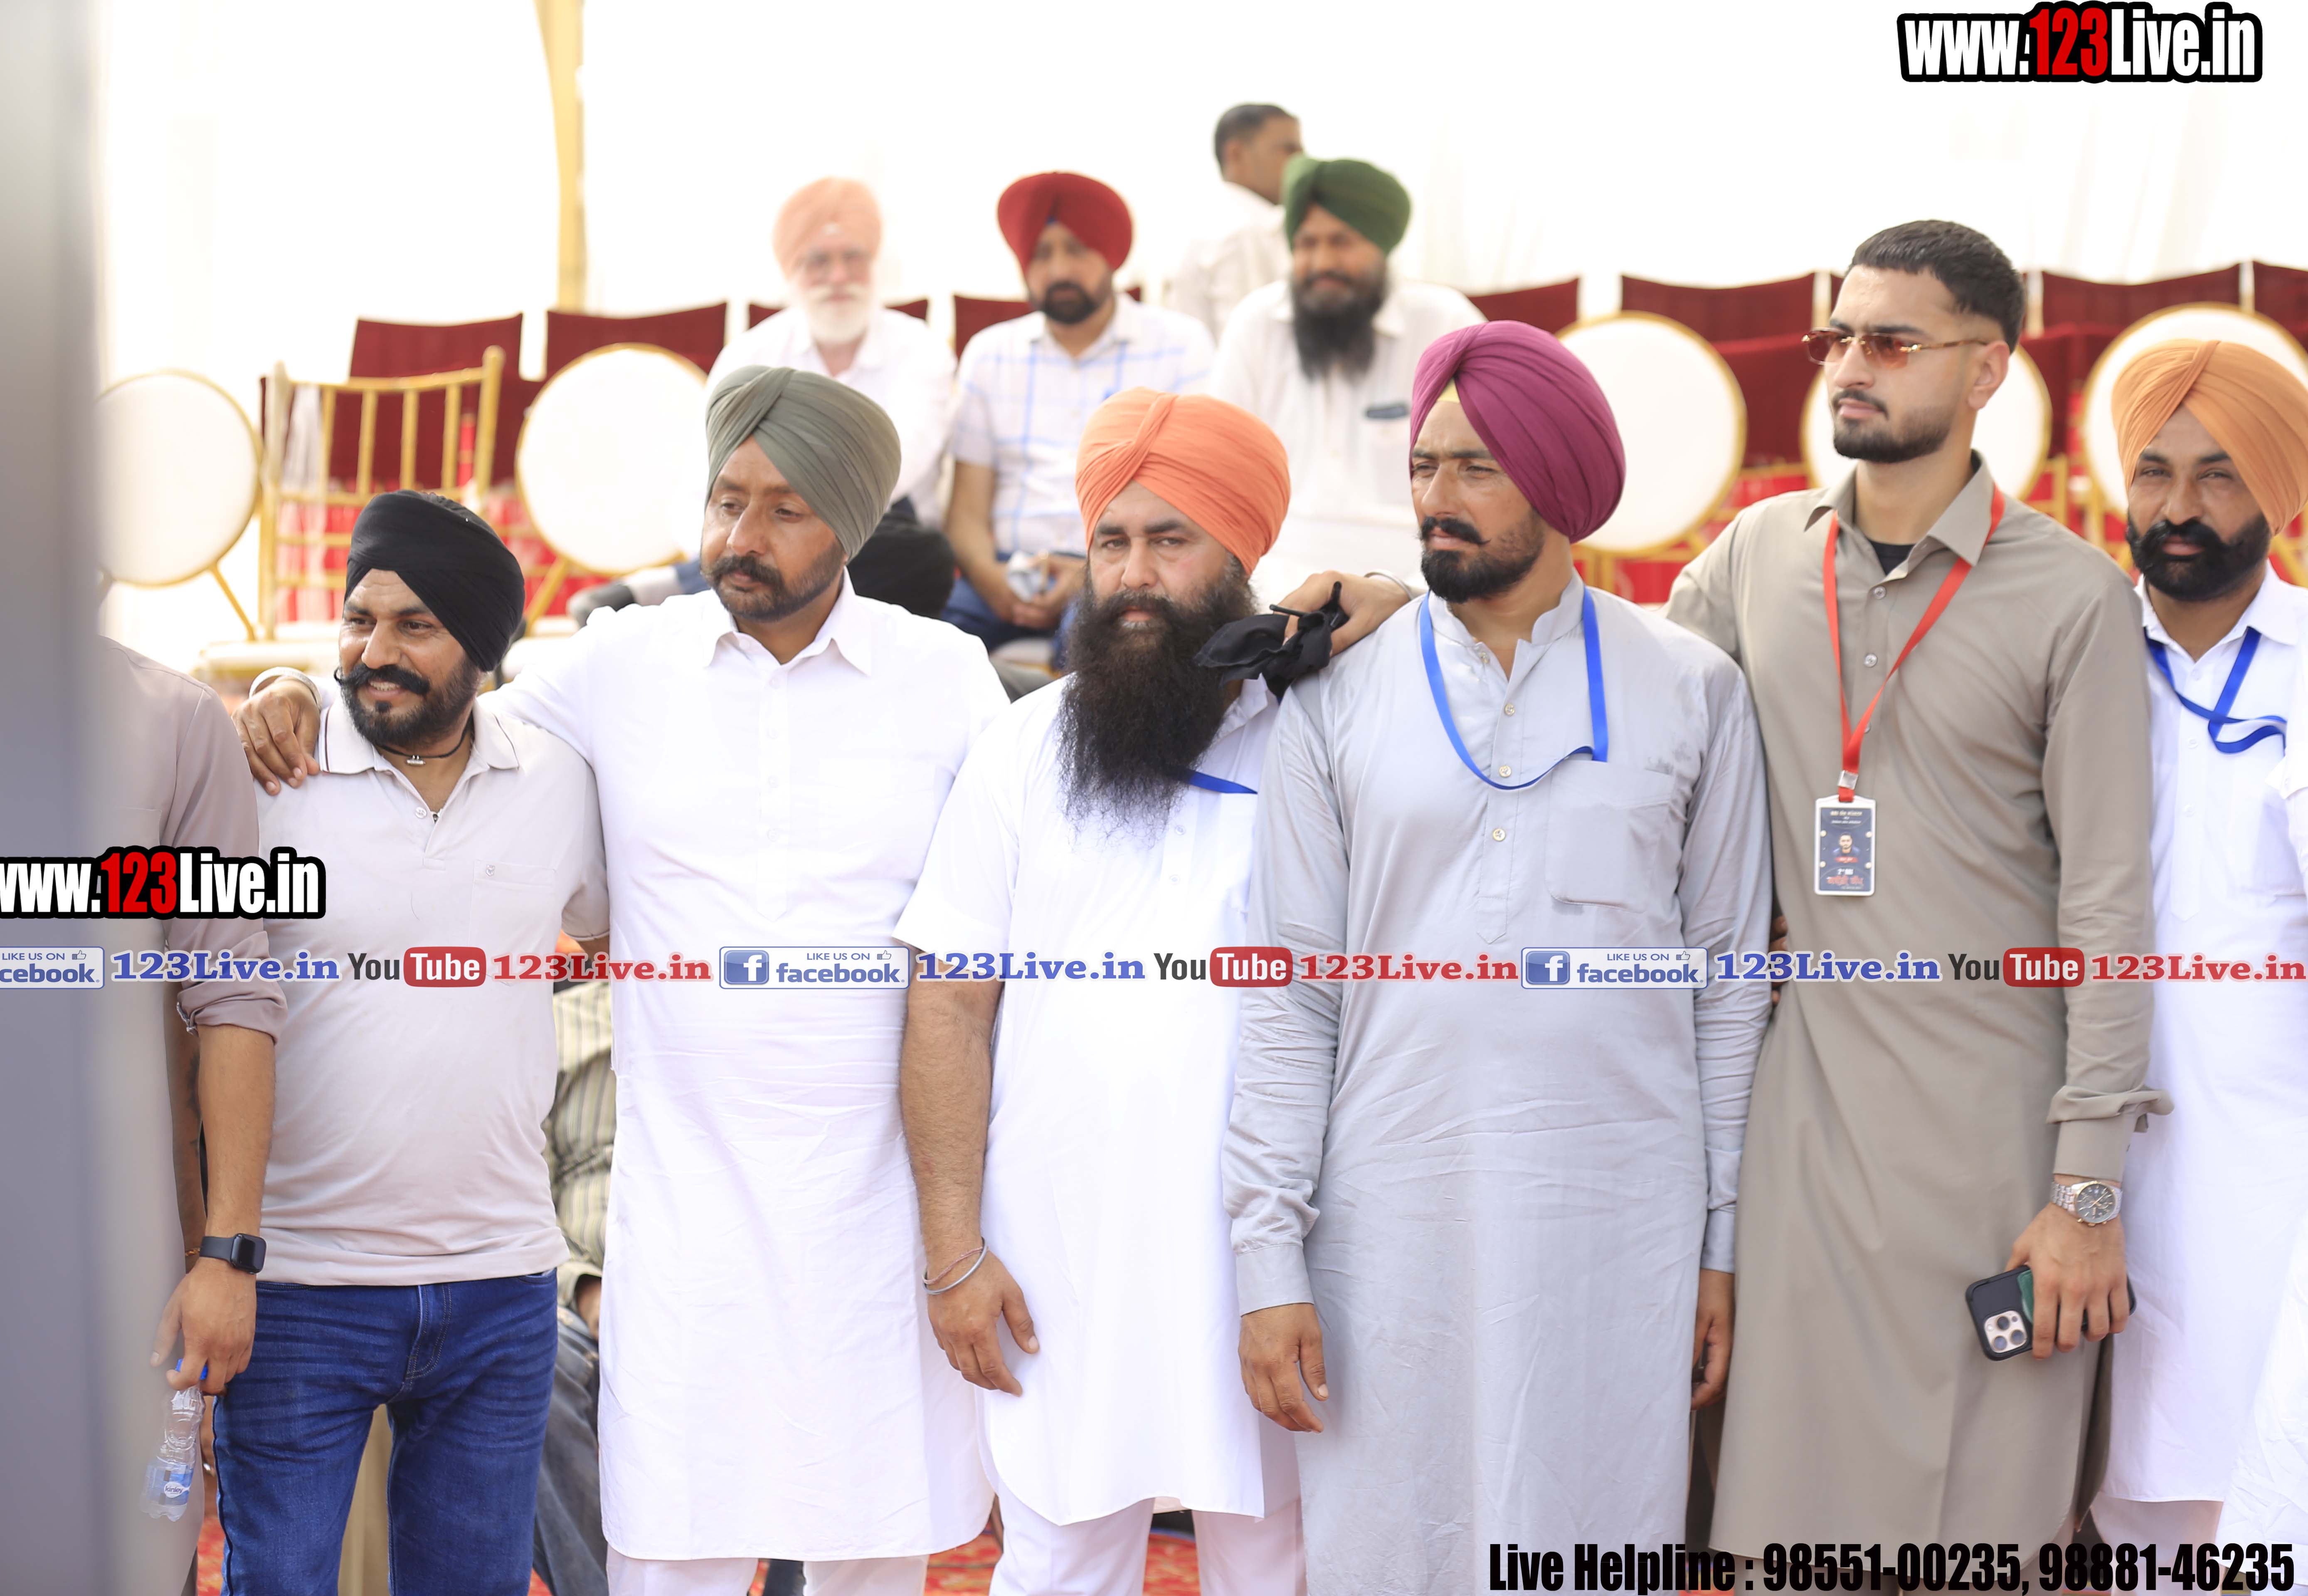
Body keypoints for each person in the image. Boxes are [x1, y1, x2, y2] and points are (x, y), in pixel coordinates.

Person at [237, 366, 1004, 1596]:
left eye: (785, 509)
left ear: (852, 524)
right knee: (667, 1551)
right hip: (688, 1216)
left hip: (879, 1212)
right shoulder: (623, 662)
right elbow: (444, 712)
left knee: (871, 1546)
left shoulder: (945, 676)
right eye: (725, 499)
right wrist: (296, 690)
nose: (740, 535)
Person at [1226, 320, 1773, 1584]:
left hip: (1620, 1218)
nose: (1437, 495)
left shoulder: (1691, 686)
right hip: (1388, 1210)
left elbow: (1729, 988)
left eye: (1476, 466)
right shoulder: (1336, 692)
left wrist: (1721, 1242)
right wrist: (1267, 1252)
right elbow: (1289, 992)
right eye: (1424, 464)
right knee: (1391, 1541)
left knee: (1592, 1531)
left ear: (1559, 481)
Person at [1663, 219, 2165, 1549]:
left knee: (1981, 1535)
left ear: (1988, 366)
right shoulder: (1754, 558)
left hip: (2002, 1153)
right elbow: (1620, 706)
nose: (1850, 366)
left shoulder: (2073, 598)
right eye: (1839, 337)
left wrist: (2087, 1196)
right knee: (1785, 1526)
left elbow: (2109, 910)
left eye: (1891, 341)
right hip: (1806, 1138)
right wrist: (1391, 605)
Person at [898, 389, 1410, 1596]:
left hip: (1273, 1260)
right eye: (1111, 542)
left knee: (1275, 1564)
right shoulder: (1024, 747)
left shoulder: (1323, 733)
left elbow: (1447, 639)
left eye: (1171, 540)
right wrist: (952, 1251)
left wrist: (1378, 599)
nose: (1133, 576)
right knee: (1054, 1564)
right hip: (1057, 1255)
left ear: (1242, 560)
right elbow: (948, 1006)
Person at [216, 490, 610, 1592]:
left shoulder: (556, 781)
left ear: (482, 651)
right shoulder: (271, 771)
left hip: (500, 1287)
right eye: (359, 620)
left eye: (415, 627)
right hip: (298, 1286)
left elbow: (607, 926)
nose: (374, 653)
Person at [2093, 339, 2308, 1549]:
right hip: (2087, 1168)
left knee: (2262, 1488)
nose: (2177, 507)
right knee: (2116, 1495)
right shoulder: (2071, 659)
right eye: (2154, 471)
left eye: (2218, 473)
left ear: (2279, 487)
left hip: (2274, 1173)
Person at [105, 637, 285, 1592]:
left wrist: (226, 1254)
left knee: (129, 1551)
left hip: (112, 1263)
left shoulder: (173, 723)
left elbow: (233, 996)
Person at [578, 178, 959, 622]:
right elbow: (707, 477)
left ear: (875, 263)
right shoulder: (750, 354)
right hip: (758, 532)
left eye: (853, 258)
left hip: (878, 531)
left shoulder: (920, 350)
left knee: (923, 556)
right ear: (791, 270)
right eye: (819, 261)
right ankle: (721, 581)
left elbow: (892, 470)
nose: (839, 276)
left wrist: (797, 521)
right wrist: (726, 540)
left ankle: (680, 590)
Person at [944, 171, 1216, 657]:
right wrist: (991, 580)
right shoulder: (990, 354)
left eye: (1076, 249)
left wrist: (1090, 573)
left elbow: (1191, 495)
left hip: (1124, 567)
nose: (1059, 269)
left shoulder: (1179, 345)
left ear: (1110, 254)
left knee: (1096, 655)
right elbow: (965, 510)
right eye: (1041, 254)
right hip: (1006, 570)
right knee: (933, 649)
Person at [1209, 155, 1480, 562]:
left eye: (1341, 242)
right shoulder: (1256, 323)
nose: (1322, 263)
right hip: (1272, 561)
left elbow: (1485, 471)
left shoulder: (1446, 324)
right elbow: (1220, 465)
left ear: (1382, 246)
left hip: (1416, 567)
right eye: (1307, 244)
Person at [535, 977, 615, 1596]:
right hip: (580, 1286)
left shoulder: (746, 1015)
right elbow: (523, 1195)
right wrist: (585, 1288)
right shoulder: (560, 1026)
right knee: (527, 1366)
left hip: (721, 1289)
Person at [1167, 104, 1302, 342]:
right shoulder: (1244, 231)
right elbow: (1253, 345)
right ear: (1236, 154)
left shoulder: (1214, 218)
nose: (1301, 162)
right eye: (1289, 150)